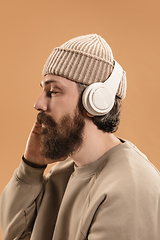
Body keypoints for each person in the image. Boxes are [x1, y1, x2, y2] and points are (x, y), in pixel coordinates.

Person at [1, 34, 160, 240]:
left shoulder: (129, 189)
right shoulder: (63, 174)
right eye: (43, 90)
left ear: (96, 101)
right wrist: (31, 168)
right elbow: (14, 235)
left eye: (53, 91)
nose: (38, 104)